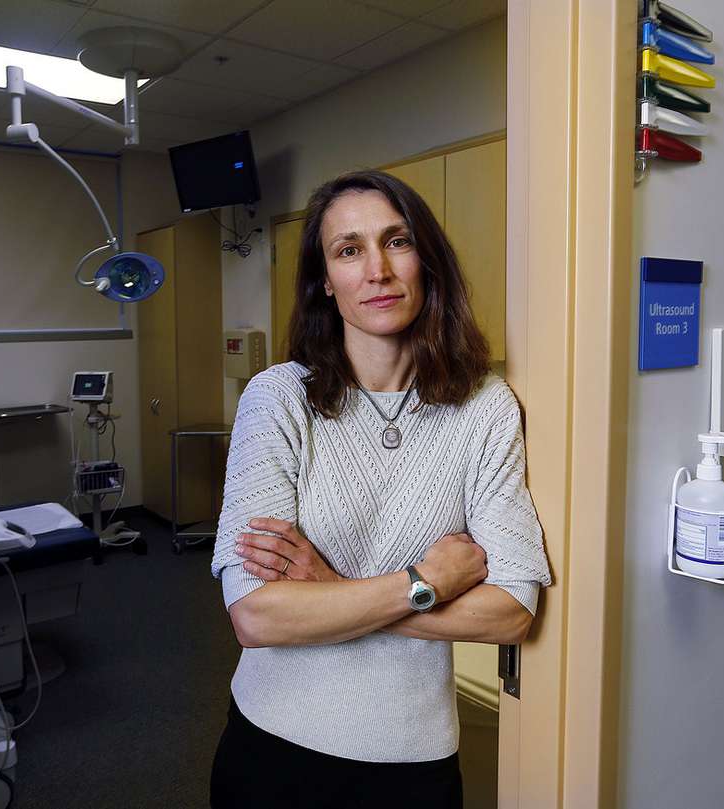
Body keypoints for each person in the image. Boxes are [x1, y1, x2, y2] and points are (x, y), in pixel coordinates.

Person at [208, 170, 552, 809]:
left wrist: (330, 593)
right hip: (273, 746)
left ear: (427, 261)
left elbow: (513, 612)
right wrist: (425, 584)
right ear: (325, 284)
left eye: (397, 242)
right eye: (348, 250)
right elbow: (256, 614)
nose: (377, 270)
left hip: (413, 760)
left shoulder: (486, 407)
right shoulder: (279, 398)